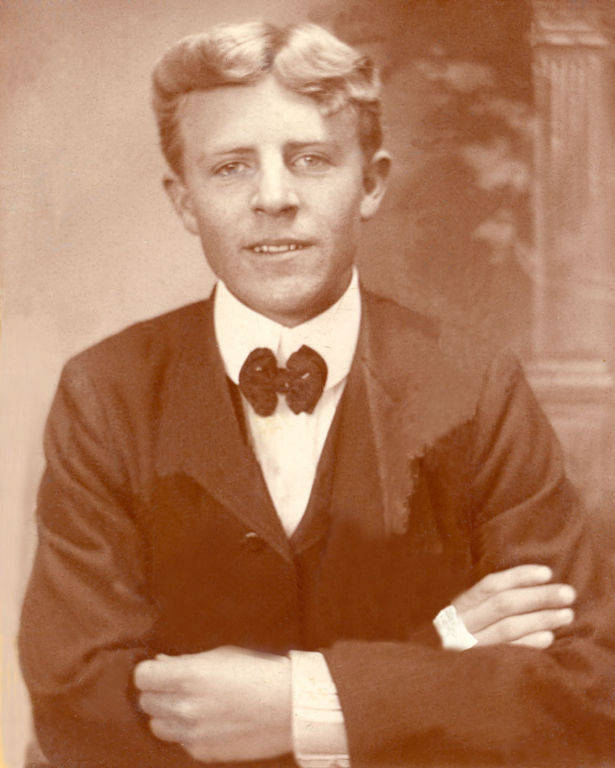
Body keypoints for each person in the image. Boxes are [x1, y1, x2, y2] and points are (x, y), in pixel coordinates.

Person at [18, 21, 615, 768]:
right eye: (232, 166)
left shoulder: (476, 387)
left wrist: (299, 704)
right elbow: (81, 705)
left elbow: (584, 693)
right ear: (182, 201)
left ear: (369, 183)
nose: (274, 197)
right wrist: (439, 653)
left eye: (310, 159)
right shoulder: (105, 392)